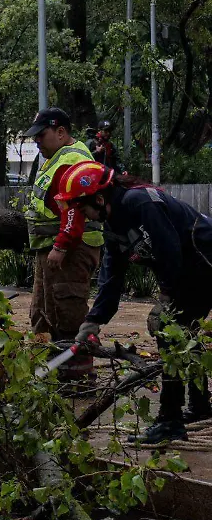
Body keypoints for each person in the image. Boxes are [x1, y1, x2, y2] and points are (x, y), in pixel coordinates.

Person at [56, 161, 212, 443]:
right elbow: (112, 277)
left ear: (99, 199)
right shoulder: (114, 223)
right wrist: (94, 321)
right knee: (184, 334)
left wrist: (166, 299)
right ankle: (200, 405)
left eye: (81, 207)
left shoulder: (140, 203)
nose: (82, 214)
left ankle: (170, 420)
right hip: (191, 270)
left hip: (205, 263)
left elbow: (170, 253)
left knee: (170, 333)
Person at [22, 108, 104, 382]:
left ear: (61, 132)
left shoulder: (71, 161)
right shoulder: (54, 158)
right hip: (53, 248)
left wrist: (61, 246)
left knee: (67, 314)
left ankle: (77, 380)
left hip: (71, 250)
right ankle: (52, 375)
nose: (37, 142)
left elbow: (74, 211)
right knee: (44, 313)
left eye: (41, 136)